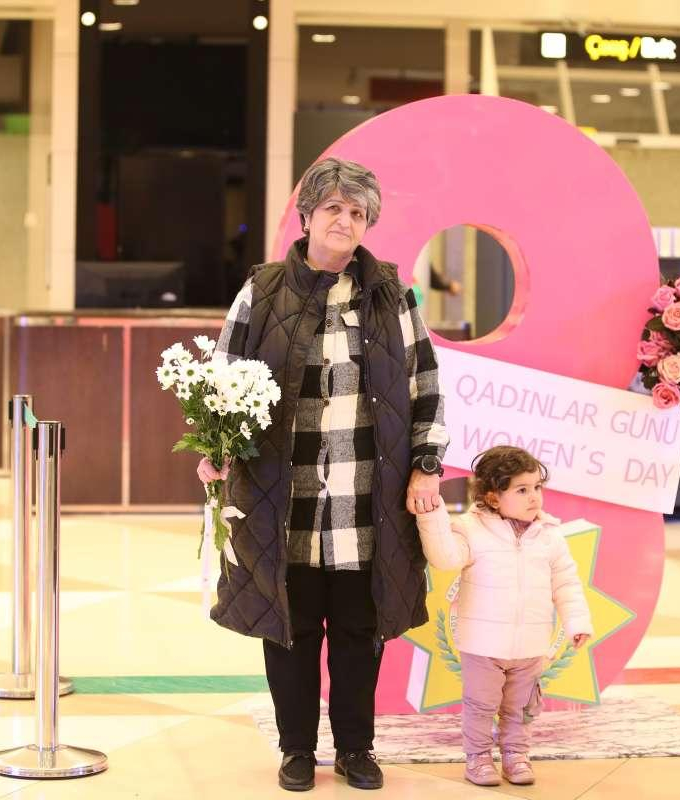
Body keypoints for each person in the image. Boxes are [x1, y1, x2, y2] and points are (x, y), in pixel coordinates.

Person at [196, 156, 449, 792]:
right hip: (283, 496)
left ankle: (357, 749)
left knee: (361, 631)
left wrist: (426, 466)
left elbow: (424, 384)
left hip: (370, 497)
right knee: (292, 628)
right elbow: (222, 375)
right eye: (333, 208)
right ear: (307, 216)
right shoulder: (262, 290)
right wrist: (215, 444)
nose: (345, 221)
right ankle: (297, 751)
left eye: (357, 212)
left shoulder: (392, 294)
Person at [414, 446, 593, 787]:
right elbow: (445, 558)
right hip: (483, 646)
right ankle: (478, 757)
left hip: (530, 646)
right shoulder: (470, 529)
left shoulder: (550, 535)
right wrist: (431, 516)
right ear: (493, 497)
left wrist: (577, 623)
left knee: (521, 707)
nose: (534, 497)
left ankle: (516, 755)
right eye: (522, 490)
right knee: (480, 705)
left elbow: (566, 584)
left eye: (537, 487)